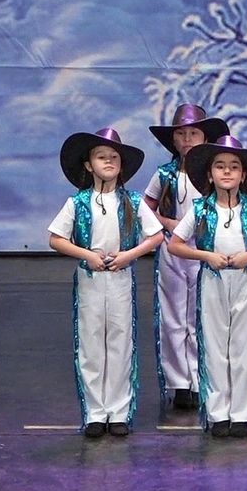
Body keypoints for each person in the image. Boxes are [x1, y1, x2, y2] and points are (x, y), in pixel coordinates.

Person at [168, 136, 247, 438]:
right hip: (213, 280)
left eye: (233, 167)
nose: (226, 171)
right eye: (220, 166)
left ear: (243, 175)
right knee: (214, 345)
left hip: (245, 280)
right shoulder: (201, 209)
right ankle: (218, 413)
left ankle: (242, 413)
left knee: (244, 346)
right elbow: (175, 244)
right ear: (210, 175)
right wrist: (206, 255)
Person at [48, 127, 163, 438]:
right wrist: (87, 255)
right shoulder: (78, 202)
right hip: (91, 279)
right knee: (91, 343)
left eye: (114, 157)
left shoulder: (132, 201)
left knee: (120, 342)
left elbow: (155, 235)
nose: (109, 161)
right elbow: (56, 238)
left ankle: (119, 412)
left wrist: (129, 255)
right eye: (102, 157)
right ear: (89, 165)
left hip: (120, 279)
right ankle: (95, 413)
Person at [143, 103, 228, 410]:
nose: (188, 139)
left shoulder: (211, 173)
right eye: (181, 134)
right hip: (173, 248)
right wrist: (168, 223)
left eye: (194, 133)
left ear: (205, 138)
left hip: (205, 249)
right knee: (174, 314)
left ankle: (201, 376)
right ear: (173, 139)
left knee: (202, 313)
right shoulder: (165, 174)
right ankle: (179, 381)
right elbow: (146, 207)